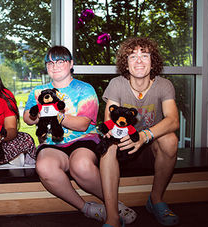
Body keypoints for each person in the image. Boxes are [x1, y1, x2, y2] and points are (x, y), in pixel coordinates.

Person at [23, 46, 136, 225]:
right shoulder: (38, 91)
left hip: (82, 139)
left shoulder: (85, 89)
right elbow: (28, 119)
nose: (55, 65)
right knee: (44, 167)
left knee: (81, 166)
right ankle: (87, 208)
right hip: (52, 143)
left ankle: (113, 204)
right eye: (50, 62)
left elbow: (83, 124)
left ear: (71, 64)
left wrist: (56, 115)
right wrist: (36, 114)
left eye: (60, 61)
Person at [100, 37, 180, 227]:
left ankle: (156, 199)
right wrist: (123, 139)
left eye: (144, 55)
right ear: (125, 65)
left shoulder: (164, 85)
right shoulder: (117, 85)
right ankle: (113, 217)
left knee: (170, 140)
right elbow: (108, 123)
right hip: (124, 146)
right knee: (108, 147)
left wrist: (144, 136)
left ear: (153, 63)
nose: (139, 60)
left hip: (151, 146)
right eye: (132, 56)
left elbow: (173, 120)